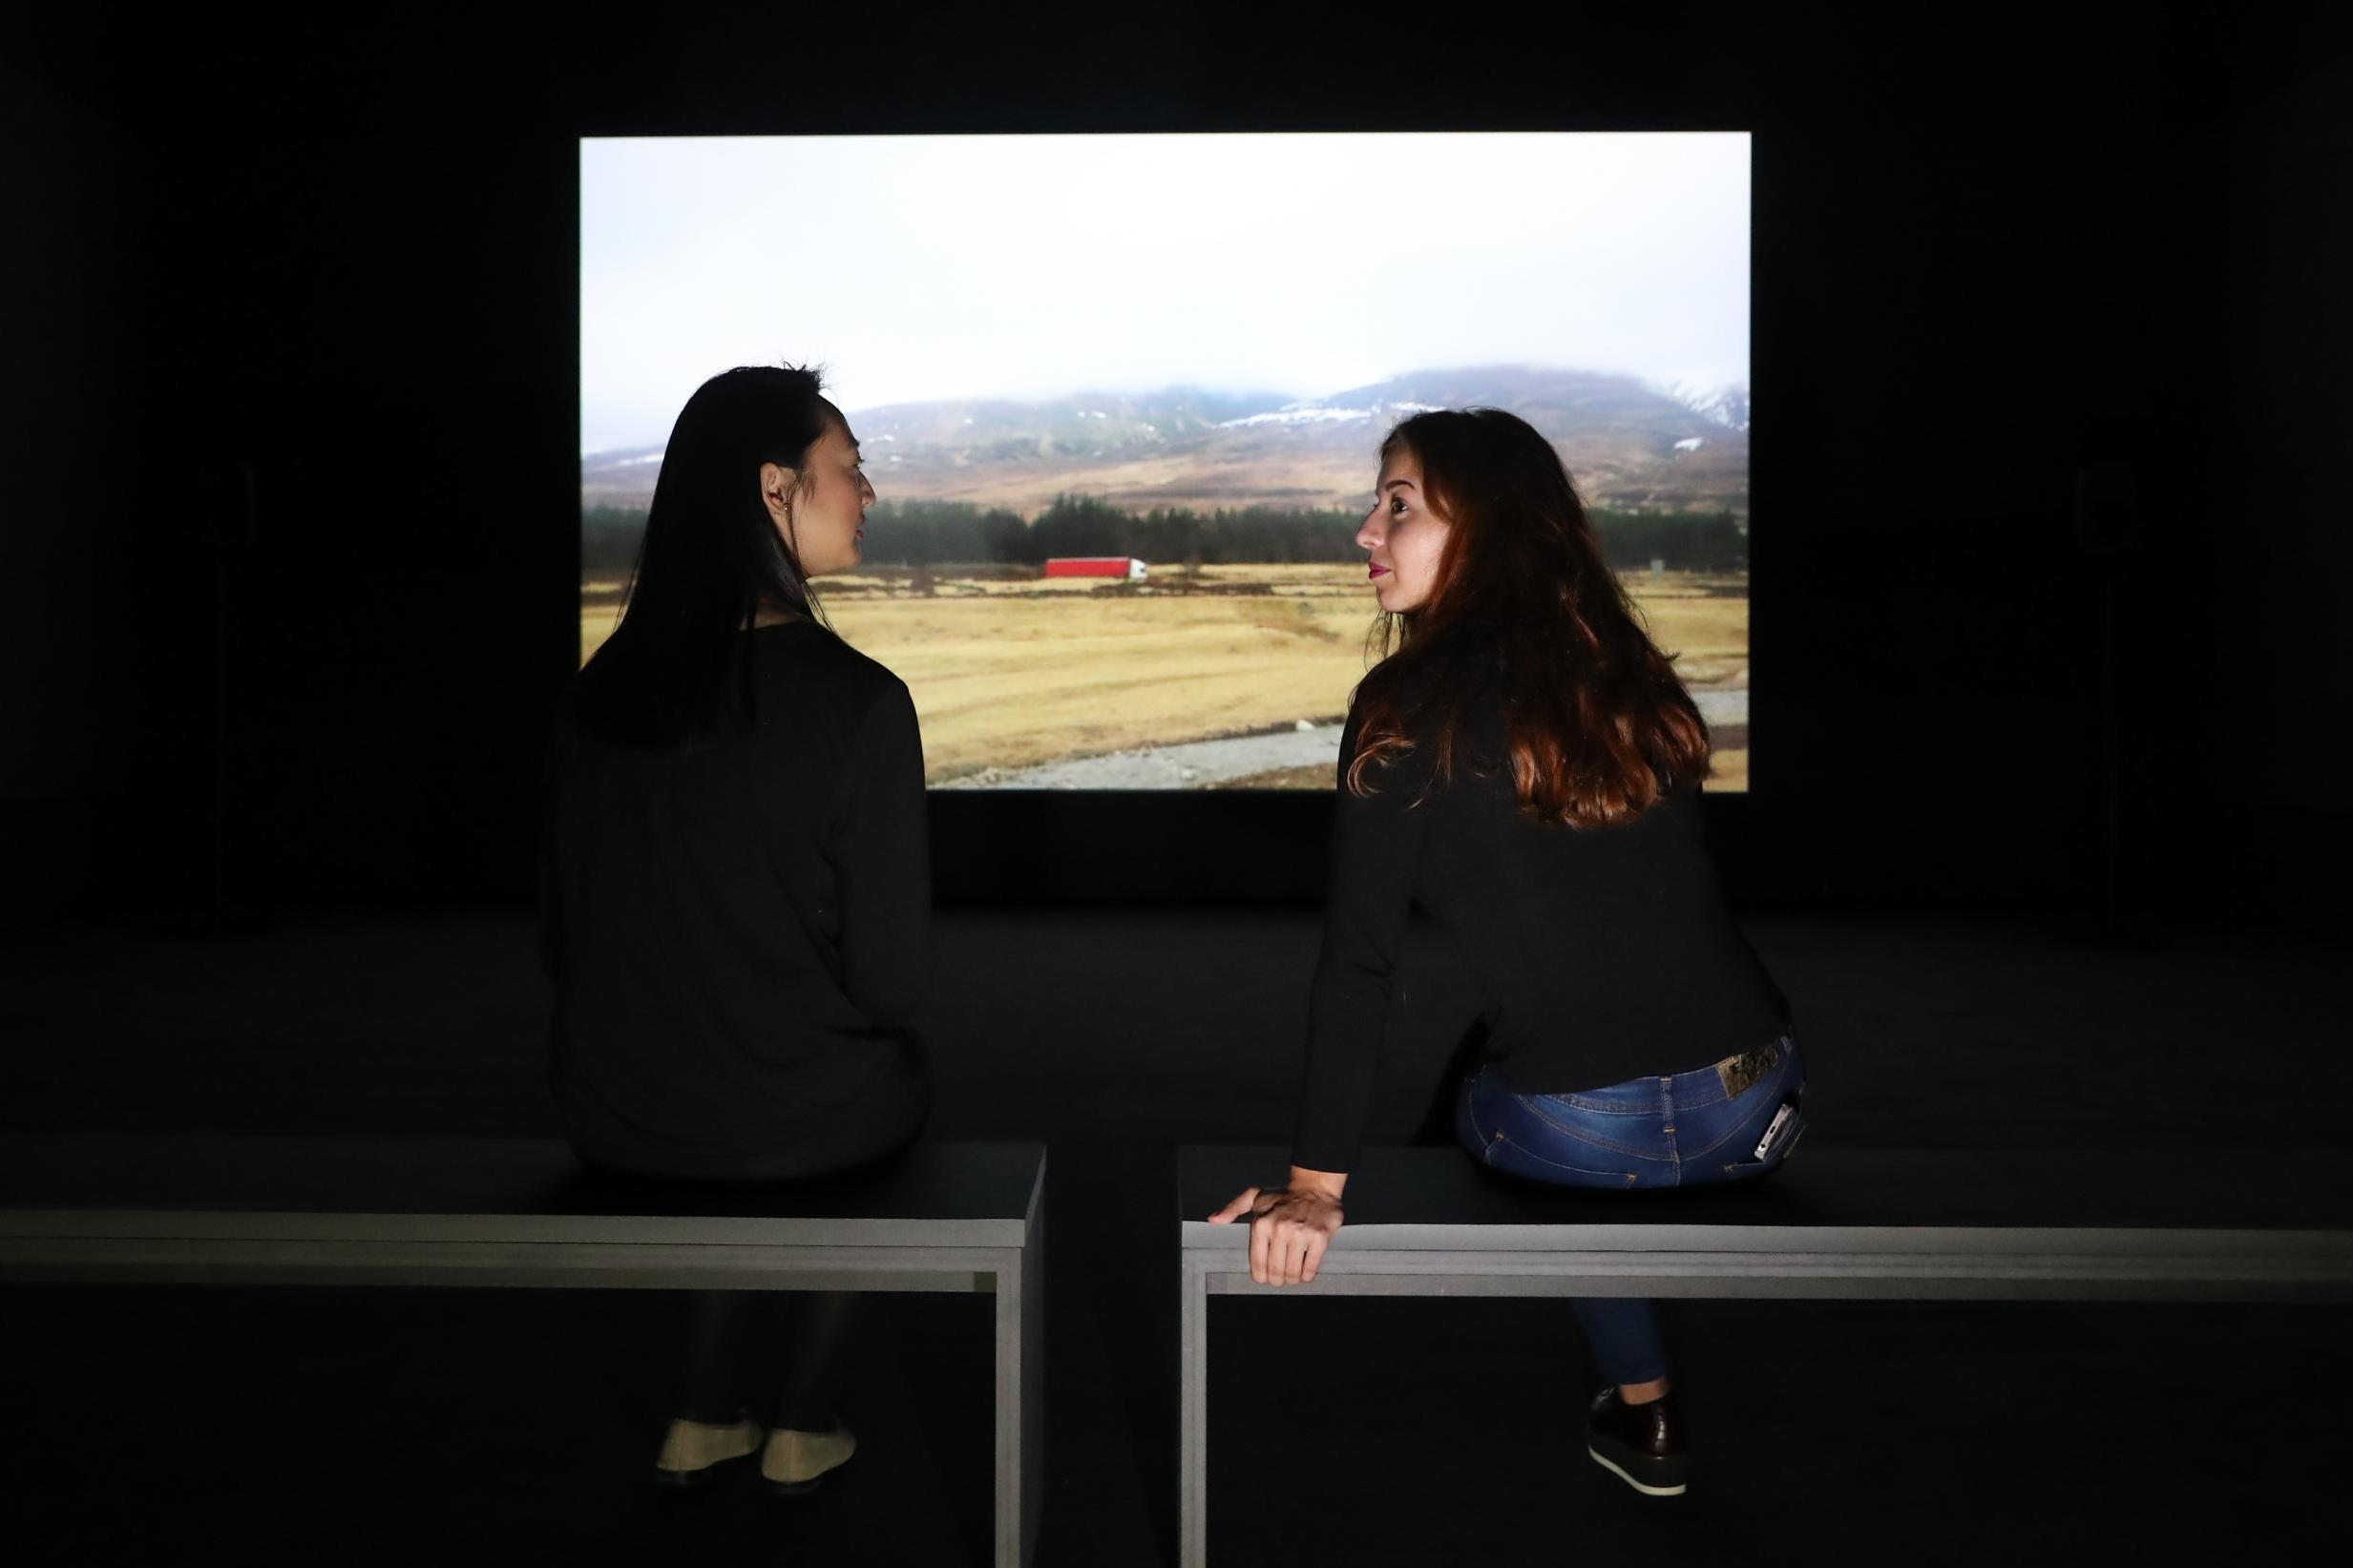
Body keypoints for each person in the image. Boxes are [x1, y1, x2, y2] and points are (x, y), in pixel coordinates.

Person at [1208, 408, 1801, 1499]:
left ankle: (1643, 1399)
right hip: (1758, 1098)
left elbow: (1359, 965)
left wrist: (1310, 1185)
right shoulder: (1625, 675)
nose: (1363, 531)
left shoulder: (1402, 707)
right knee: (1543, 1064)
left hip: (1580, 1127)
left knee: (1519, 1114)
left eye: (1398, 504)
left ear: (1486, 529)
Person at [541, 364, 929, 1494]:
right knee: (857, 1074)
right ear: (775, 487)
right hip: (798, 1119)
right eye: (848, 470)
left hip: (611, 1110)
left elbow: (559, 942)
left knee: (725, 1068)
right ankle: (803, 1417)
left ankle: (701, 1406)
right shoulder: (858, 701)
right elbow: (894, 980)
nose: (868, 494)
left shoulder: (598, 691)